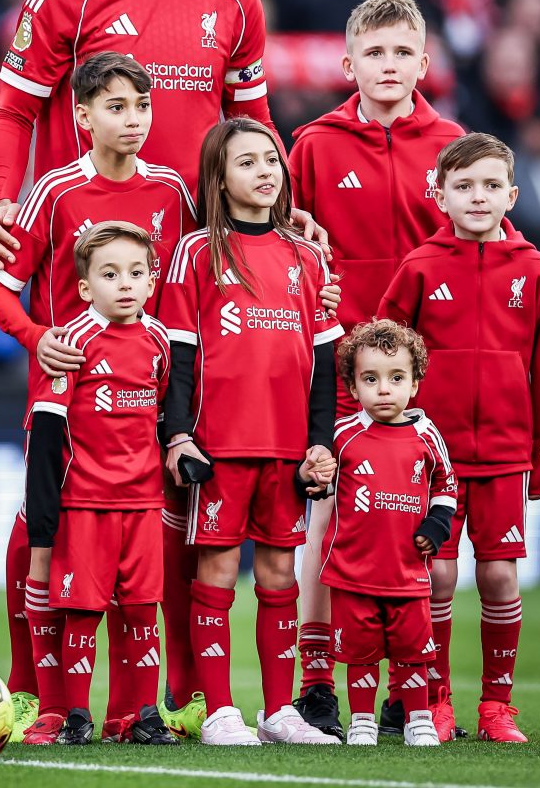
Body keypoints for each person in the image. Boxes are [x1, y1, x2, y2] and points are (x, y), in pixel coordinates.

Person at [0, 0, 330, 740]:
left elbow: (253, 127)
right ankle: (31, 684)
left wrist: (281, 205)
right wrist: (9, 205)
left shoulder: (235, 0)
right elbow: (10, 113)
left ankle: (169, 693)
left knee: (177, 494)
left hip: (198, 276)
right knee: (56, 487)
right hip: (83, 277)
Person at [0, 52, 196, 744]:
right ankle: (35, 695)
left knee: (144, 571)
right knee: (35, 543)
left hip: (145, 405)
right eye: (114, 107)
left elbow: (196, 278)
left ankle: (138, 708)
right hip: (66, 404)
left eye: (141, 107)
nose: (131, 121)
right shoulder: (55, 192)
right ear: (81, 116)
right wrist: (37, 337)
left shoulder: (171, 192)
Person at [287, 0, 463, 738]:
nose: (387, 66)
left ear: (423, 64)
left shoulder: (452, 142)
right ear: (347, 62)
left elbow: (477, 245)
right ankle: (319, 685)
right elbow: (286, 246)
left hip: (427, 374)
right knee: (325, 528)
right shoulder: (314, 145)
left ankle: (420, 692)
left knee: (427, 536)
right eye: (373, 53)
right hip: (339, 367)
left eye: (401, 53)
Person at [159, 117, 342, 747]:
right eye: (247, 162)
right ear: (219, 176)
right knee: (213, 570)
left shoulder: (308, 254)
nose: (266, 171)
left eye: (272, 160)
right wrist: (179, 436)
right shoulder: (196, 251)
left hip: (289, 447)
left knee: (278, 574)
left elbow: (322, 361)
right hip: (219, 446)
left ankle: (277, 709)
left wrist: (322, 442)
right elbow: (180, 355)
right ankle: (218, 710)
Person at [379, 132, 540, 743]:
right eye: (463, 186)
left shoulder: (534, 269)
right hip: (432, 460)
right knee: (433, 579)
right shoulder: (421, 266)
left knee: (499, 578)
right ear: (439, 195)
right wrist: (385, 437)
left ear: (512, 194)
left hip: (507, 455)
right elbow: (384, 352)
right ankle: (435, 701)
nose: (477, 197)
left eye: (490, 186)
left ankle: (496, 706)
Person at [0, 220, 177, 746]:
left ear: (151, 282)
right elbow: (47, 440)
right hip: (85, 504)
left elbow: (162, 416)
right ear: (84, 287)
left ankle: (139, 715)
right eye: (110, 273)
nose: (125, 283)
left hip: (143, 502)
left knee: (144, 608)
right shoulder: (71, 343)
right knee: (82, 610)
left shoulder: (158, 341)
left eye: (136, 273)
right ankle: (73, 713)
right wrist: (43, 524)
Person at [320, 319, 457, 748]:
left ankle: (418, 716)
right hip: (353, 571)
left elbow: (447, 486)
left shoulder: (426, 435)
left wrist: (436, 526)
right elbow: (318, 483)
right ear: (353, 387)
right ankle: (361, 719)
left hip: (407, 573)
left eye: (396, 378)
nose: (384, 389)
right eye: (370, 379)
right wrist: (311, 475)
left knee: (414, 650)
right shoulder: (342, 436)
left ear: (414, 384)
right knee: (359, 653)